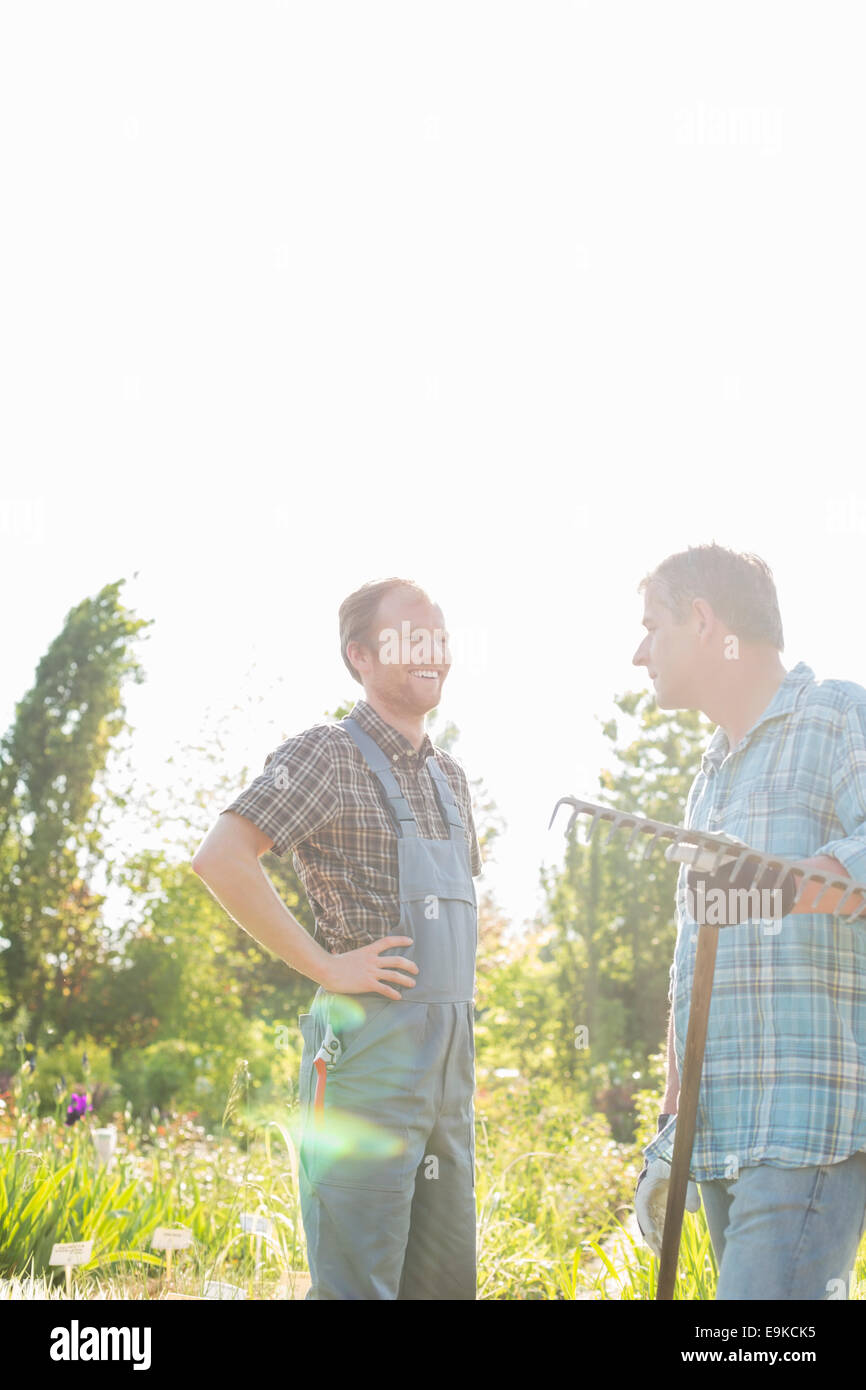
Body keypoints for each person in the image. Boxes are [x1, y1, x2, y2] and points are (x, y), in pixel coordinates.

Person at [191, 577, 483, 1299]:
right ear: (359, 655)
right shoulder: (326, 753)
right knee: (357, 1285)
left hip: (449, 1064)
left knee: (445, 1286)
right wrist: (325, 965)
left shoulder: (452, 778)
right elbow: (221, 857)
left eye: (439, 637)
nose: (432, 652)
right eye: (411, 637)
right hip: (367, 1056)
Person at [632, 543, 866, 1300]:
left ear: (703, 621)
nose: (640, 653)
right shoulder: (712, 772)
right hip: (723, 1128)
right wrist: (671, 1128)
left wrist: (758, 888)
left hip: (806, 1124)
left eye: (652, 627)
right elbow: (690, 961)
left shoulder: (836, 714)